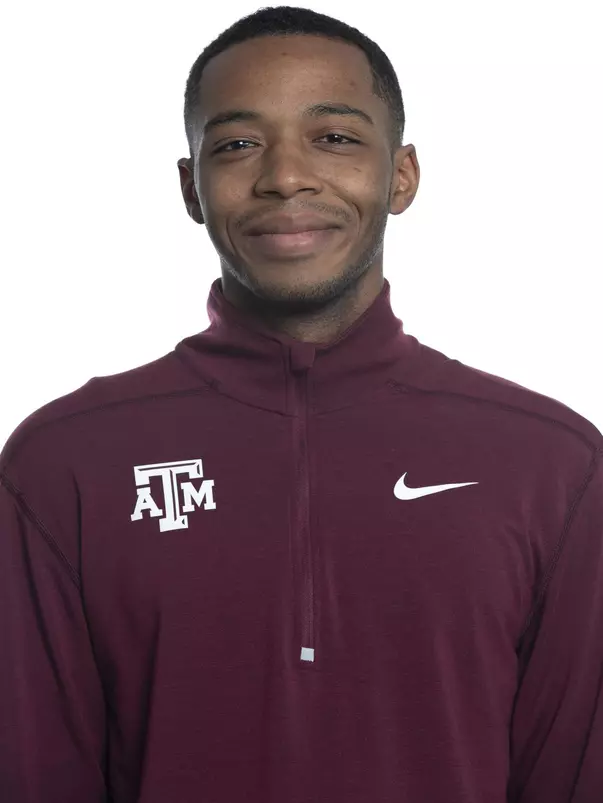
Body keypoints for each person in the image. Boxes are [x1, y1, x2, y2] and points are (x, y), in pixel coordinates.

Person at [1, 5, 601, 802]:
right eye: (236, 145)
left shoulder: (550, 462)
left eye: (335, 137)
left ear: (401, 175)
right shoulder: (65, 461)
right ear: (189, 187)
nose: (285, 176)